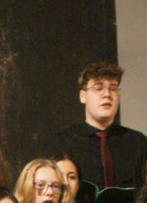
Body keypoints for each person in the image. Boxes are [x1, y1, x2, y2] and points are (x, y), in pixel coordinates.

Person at [50, 61, 147, 189]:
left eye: (113, 89)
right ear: (83, 96)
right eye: (98, 88)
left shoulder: (137, 142)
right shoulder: (63, 142)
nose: (107, 94)